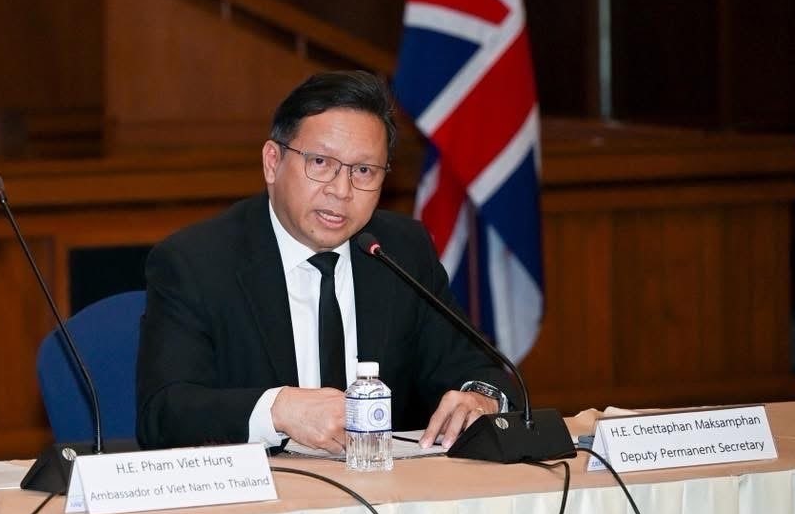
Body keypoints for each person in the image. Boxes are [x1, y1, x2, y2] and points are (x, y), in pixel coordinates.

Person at [137, 70, 513, 453]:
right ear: (272, 162)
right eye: (320, 162)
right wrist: (277, 410)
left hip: (384, 483)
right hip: (266, 486)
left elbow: (481, 370)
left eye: (363, 171)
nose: (341, 190)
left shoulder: (401, 250)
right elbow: (164, 412)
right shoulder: (196, 262)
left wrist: (480, 398)